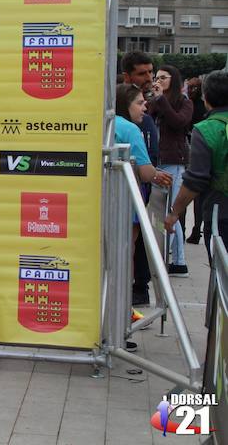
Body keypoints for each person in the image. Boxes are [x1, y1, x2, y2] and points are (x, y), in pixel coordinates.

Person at [115, 83, 171, 338]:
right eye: (139, 102)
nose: (145, 106)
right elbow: (147, 172)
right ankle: (122, 312)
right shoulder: (130, 129)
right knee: (125, 255)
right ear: (125, 105)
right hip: (127, 203)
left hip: (98, 202)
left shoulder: (100, 124)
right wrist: (157, 174)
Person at [166, 71, 228, 258]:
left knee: (222, 278)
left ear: (205, 97)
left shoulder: (206, 130)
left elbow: (196, 180)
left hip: (221, 214)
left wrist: (175, 212)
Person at [121, 51, 159, 307]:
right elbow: (145, 167)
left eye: (151, 72)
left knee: (133, 247)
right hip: (130, 192)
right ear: (128, 76)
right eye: (142, 73)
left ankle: (137, 290)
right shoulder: (130, 124)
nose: (149, 78)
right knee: (127, 251)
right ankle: (126, 299)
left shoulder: (151, 106)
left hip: (140, 191)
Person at [148, 65, 192, 277]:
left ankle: (169, 260)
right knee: (165, 212)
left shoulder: (184, 102)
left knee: (171, 211)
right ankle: (179, 262)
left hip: (174, 162)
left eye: (163, 78)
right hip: (157, 161)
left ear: (173, 80)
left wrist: (161, 100)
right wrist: (155, 100)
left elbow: (178, 122)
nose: (158, 81)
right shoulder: (155, 101)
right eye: (157, 78)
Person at [185, 76, 207, 244]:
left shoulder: (190, 105)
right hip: (196, 148)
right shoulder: (201, 106)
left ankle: (193, 229)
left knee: (190, 191)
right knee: (198, 197)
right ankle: (196, 229)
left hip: (191, 149)